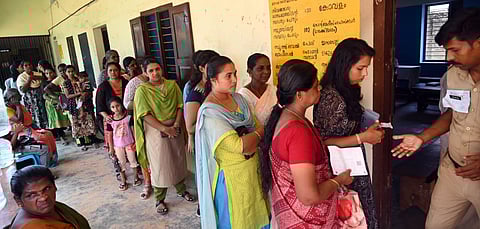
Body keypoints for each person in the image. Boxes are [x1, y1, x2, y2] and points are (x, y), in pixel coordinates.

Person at [392, 9, 480, 229]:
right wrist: (422, 138)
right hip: (452, 171)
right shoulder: (453, 75)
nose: (450, 57)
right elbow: (452, 113)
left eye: (455, 50)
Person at [258, 59, 352, 228]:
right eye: (315, 86)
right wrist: (339, 180)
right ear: (299, 95)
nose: (320, 89)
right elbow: (309, 196)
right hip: (306, 221)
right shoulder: (297, 132)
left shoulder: (289, 117)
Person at [313, 38, 382, 229]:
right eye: (361, 68)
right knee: (349, 219)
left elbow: (345, 127)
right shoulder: (330, 97)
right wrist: (363, 137)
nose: (365, 73)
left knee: (360, 216)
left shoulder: (347, 90)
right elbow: (324, 141)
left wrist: (367, 129)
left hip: (352, 164)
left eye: (367, 68)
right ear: (344, 65)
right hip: (339, 170)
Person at [195, 56, 270, 228]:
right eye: (228, 76)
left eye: (235, 74)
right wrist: (258, 133)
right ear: (214, 80)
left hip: (253, 173)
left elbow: (256, 127)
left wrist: (255, 134)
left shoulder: (239, 99)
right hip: (232, 180)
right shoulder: (210, 112)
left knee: (257, 216)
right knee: (237, 220)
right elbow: (240, 146)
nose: (235, 80)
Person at [134, 58, 193, 215]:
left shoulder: (172, 86)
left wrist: (176, 125)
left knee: (178, 160)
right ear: (145, 73)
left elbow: (180, 106)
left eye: (157, 69)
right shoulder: (142, 91)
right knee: (160, 164)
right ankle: (159, 199)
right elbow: (144, 114)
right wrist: (165, 129)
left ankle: (182, 190)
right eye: (151, 71)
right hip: (155, 131)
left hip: (175, 128)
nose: (155, 73)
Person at [9, 165, 90, 229]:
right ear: (18, 200)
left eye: (46, 189)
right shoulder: (33, 227)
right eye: (32, 195)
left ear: (54, 187)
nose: (43, 198)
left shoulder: (54, 208)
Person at [4, 88, 58, 167]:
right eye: (17, 98)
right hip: (20, 134)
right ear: (11, 98)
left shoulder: (18, 106)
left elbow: (28, 119)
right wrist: (17, 106)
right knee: (42, 138)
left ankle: (51, 158)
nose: (19, 100)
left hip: (26, 129)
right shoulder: (8, 109)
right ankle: (46, 164)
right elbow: (19, 120)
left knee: (48, 134)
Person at [96, 62, 129, 180]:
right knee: (114, 146)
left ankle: (134, 165)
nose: (113, 72)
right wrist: (107, 116)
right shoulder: (103, 86)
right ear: (106, 72)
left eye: (116, 70)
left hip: (125, 117)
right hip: (111, 120)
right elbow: (99, 105)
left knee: (129, 142)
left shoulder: (126, 82)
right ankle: (119, 170)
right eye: (110, 70)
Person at [107, 96, 141, 191]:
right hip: (118, 146)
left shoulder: (128, 118)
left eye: (117, 106)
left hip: (129, 143)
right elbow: (109, 135)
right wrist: (111, 148)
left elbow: (133, 130)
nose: (116, 109)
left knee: (133, 161)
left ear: (121, 105)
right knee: (120, 163)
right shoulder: (110, 120)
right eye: (113, 107)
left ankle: (136, 178)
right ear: (110, 108)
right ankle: (123, 181)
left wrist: (136, 142)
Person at [62, 65, 96, 151]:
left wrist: (84, 94)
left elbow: (87, 89)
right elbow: (68, 96)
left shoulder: (79, 79)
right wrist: (79, 94)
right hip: (74, 104)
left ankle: (90, 138)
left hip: (83, 103)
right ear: (66, 73)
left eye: (72, 71)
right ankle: (80, 141)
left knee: (87, 120)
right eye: (68, 72)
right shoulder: (66, 83)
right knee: (77, 122)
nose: (71, 73)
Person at [238, 53, 277, 125]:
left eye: (268, 68)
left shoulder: (273, 90)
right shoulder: (243, 95)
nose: (266, 72)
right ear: (250, 71)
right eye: (260, 68)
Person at [16, 60, 48, 129]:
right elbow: (23, 90)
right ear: (23, 68)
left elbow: (44, 84)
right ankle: (38, 131)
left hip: (41, 98)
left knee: (44, 114)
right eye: (26, 65)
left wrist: (37, 78)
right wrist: (29, 80)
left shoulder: (38, 74)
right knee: (34, 116)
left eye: (29, 64)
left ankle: (48, 130)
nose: (28, 66)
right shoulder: (21, 77)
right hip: (30, 101)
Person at [43, 67, 70, 145]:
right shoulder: (48, 82)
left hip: (63, 100)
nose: (49, 75)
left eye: (51, 72)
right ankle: (60, 136)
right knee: (56, 120)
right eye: (47, 73)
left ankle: (65, 134)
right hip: (53, 102)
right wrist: (56, 99)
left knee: (63, 118)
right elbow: (45, 93)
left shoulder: (60, 79)